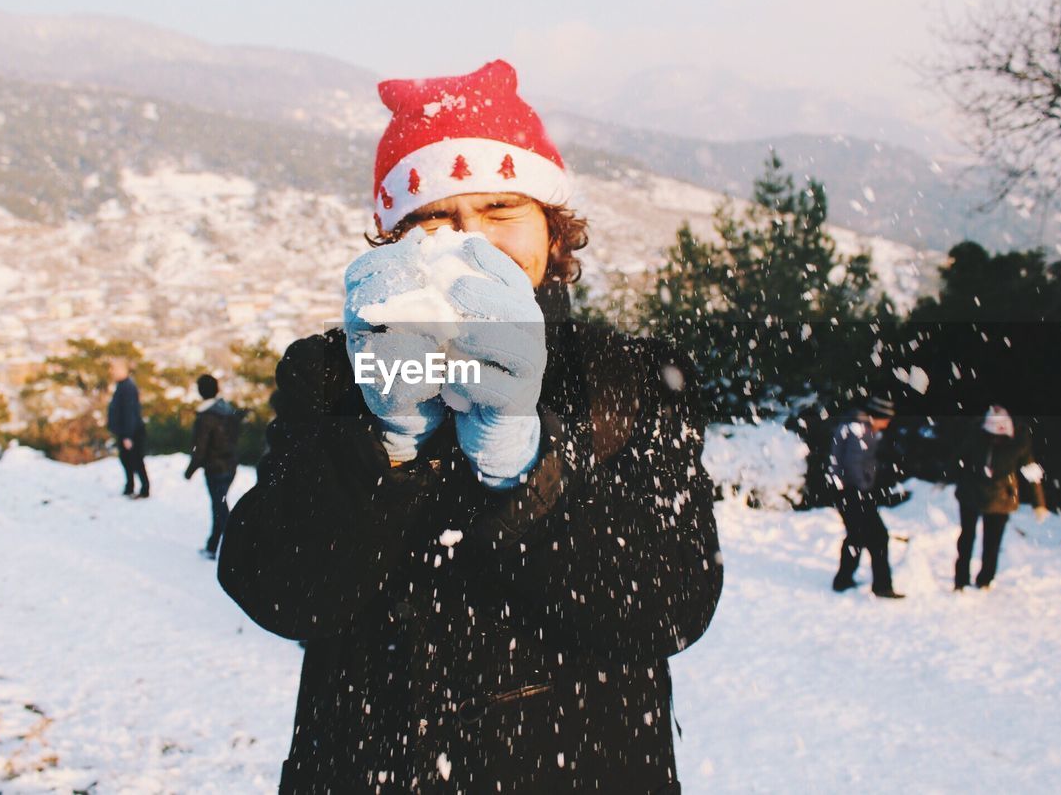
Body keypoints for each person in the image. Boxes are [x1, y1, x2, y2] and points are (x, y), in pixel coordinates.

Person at [218, 60, 722, 794]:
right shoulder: (330, 375)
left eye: (499, 211)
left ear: (555, 234)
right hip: (367, 767)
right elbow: (281, 590)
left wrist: (530, 472)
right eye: (434, 218)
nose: (468, 241)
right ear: (392, 239)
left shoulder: (626, 378)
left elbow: (669, 604)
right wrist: (385, 448)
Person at [953, 405, 1049, 590]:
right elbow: (959, 457)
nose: (995, 441)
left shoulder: (1020, 441)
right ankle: (961, 580)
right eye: (992, 437)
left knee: (992, 542)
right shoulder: (975, 434)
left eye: (1000, 438)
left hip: (1002, 497)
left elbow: (1031, 470)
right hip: (971, 492)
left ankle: (985, 580)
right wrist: (947, 477)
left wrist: (1039, 503)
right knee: (966, 538)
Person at [828, 395, 904, 598]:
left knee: (859, 535)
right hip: (852, 492)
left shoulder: (859, 426)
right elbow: (852, 464)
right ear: (878, 415)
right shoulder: (858, 429)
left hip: (849, 491)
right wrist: (863, 488)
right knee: (876, 535)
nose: (887, 424)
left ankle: (845, 580)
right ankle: (880, 585)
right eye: (886, 419)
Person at [184, 374, 241, 559]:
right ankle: (213, 546)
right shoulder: (227, 410)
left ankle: (234, 548)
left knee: (220, 509)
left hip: (215, 467)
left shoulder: (205, 417)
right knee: (220, 506)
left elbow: (199, 448)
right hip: (230, 465)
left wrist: (190, 469)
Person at [106, 357, 149, 499]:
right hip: (127, 431)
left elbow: (130, 413)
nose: (111, 372)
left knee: (135, 460)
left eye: (113, 369)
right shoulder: (123, 385)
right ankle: (130, 486)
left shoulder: (127, 387)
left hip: (131, 432)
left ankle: (143, 489)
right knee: (128, 460)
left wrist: (127, 436)